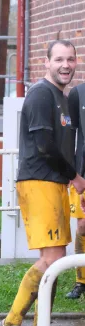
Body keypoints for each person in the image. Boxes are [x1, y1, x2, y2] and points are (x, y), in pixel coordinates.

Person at [0, 40, 85, 326]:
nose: (66, 65)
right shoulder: (39, 94)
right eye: (59, 59)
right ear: (45, 62)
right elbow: (45, 145)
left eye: (71, 59)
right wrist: (75, 177)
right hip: (38, 182)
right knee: (51, 259)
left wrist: (73, 182)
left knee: (57, 260)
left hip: (56, 184)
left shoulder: (62, 97)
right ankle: (11, 323)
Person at [66, 83, 85, 299]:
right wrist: (71, 171)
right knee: (82, 225)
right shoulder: (78, 93)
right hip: (82, 173)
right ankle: (81, 281)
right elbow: (69, 135)